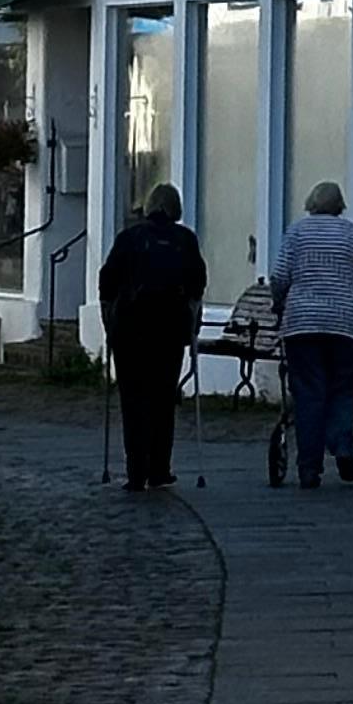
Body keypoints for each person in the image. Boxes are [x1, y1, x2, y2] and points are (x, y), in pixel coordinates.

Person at [270, 180, 353, 487]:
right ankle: (343, 447)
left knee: (308, 393)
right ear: (340, 206)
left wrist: (278, 301)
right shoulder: (352, 234)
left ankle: (309, 467)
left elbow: (280, 276)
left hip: (301, 324)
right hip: (343, 324)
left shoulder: (296, 233)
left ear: (311, 203)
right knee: (342, 387)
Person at [98, 182, 209, 493]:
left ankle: (135, 473)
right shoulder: (185, 239)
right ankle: (160, 468)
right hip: (169, 329)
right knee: (162, 399)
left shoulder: (129, 238)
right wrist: (192, 321)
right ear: (176, 209)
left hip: (130, 328)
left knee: (132, 400)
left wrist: (108, 320)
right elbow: (197, 283)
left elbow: (108, 280)